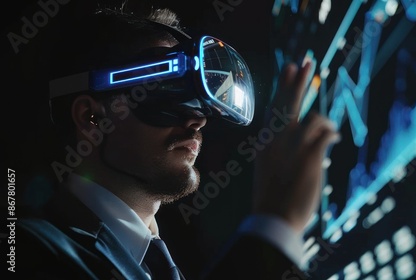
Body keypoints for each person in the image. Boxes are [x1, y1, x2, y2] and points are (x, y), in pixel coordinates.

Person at [16, 4, 340, 280]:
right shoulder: (28, 253)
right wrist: (274, 225)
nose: (198, 120)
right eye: (166, 89)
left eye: (200, 101)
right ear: (91, 117)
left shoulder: (162, 266)